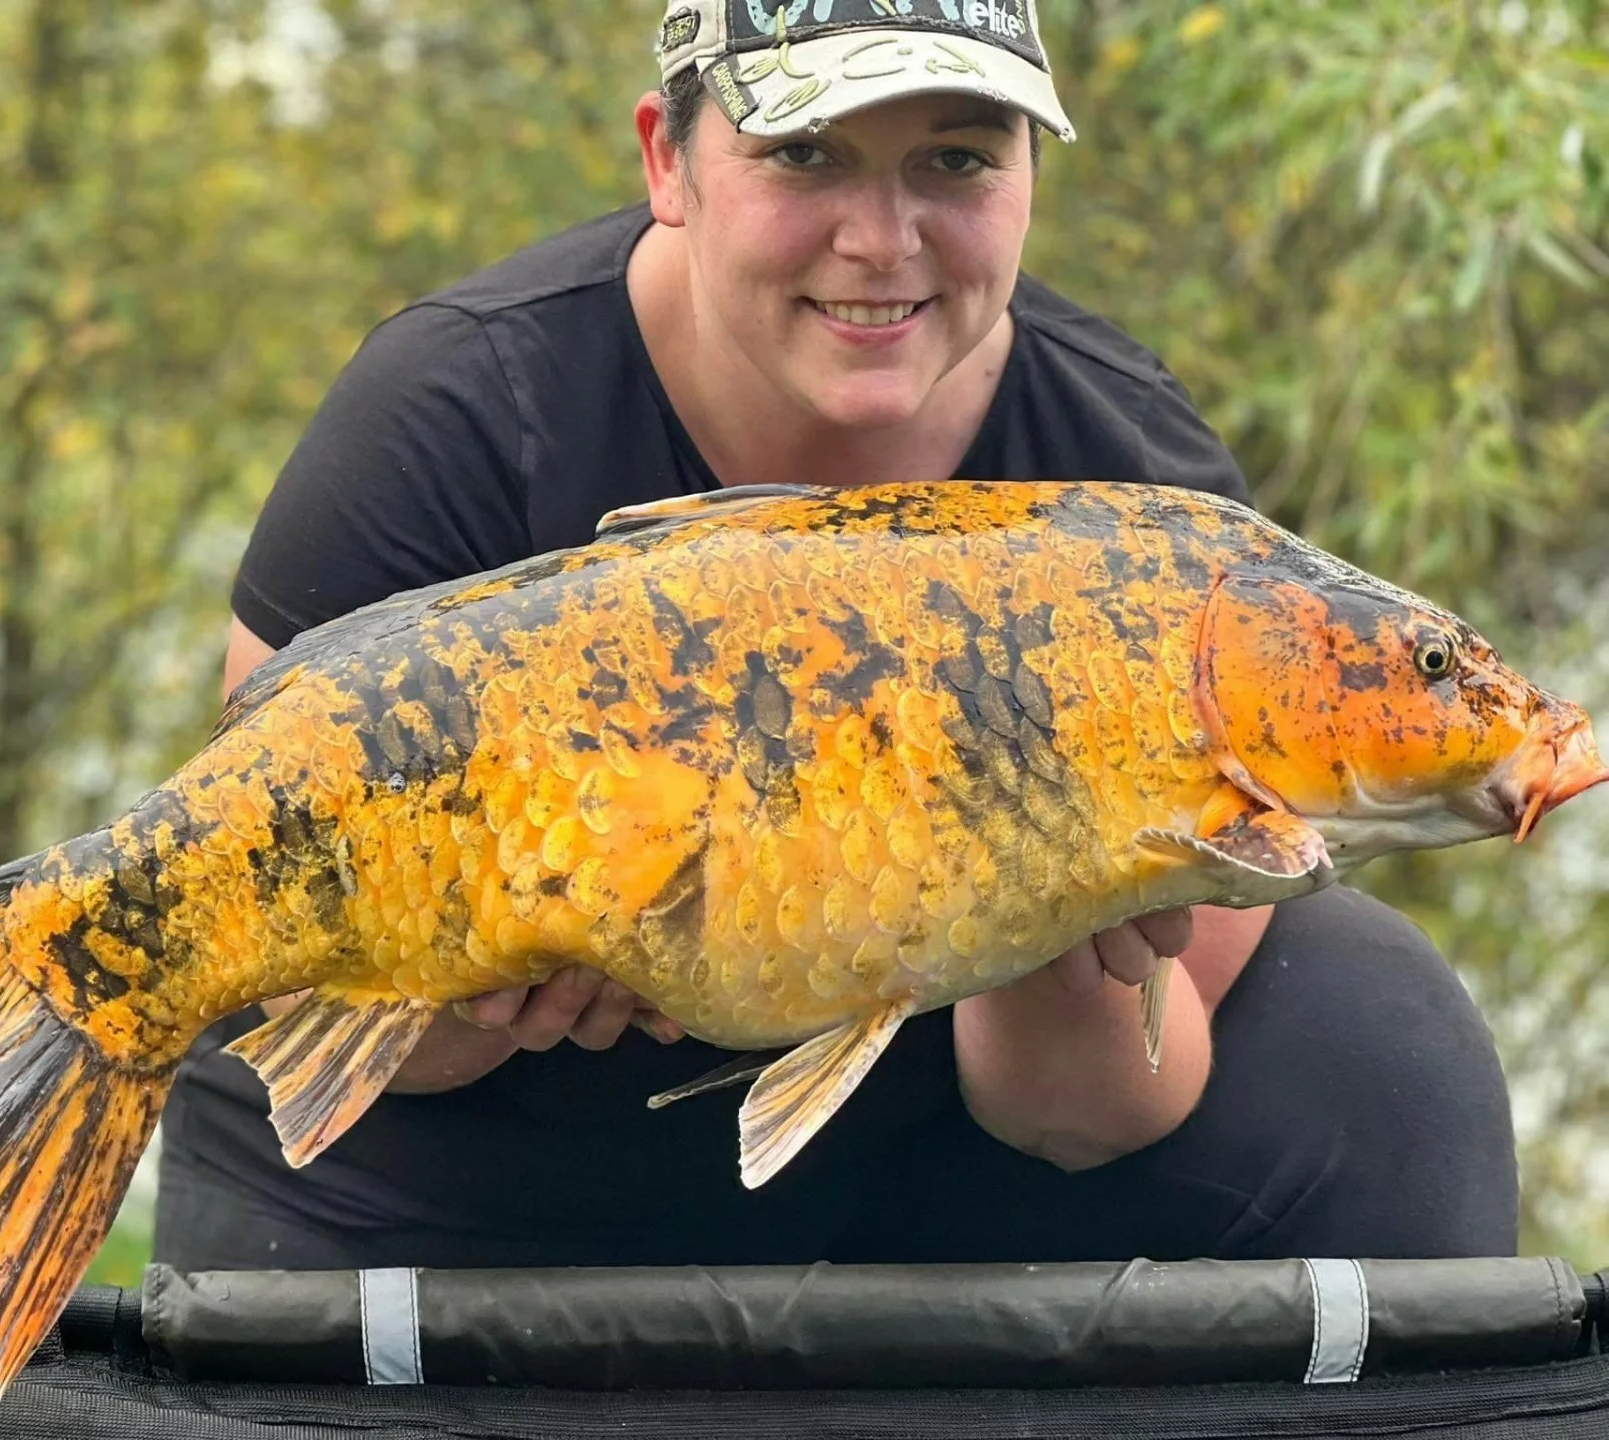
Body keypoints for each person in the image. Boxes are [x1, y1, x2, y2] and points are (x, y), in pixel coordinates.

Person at [153, 0, 1517, 1272]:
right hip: (462, 1171)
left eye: (957, 161)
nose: (883, 238)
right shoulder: (450, 416)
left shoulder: (1147, 524)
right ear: (667, 161)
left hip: (931, 1153)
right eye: (805, 152)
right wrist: (461, 991)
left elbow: (1089, 1114)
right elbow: (263, 960)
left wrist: (1060, 897)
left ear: (1032, 172)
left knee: (1380, 1020)